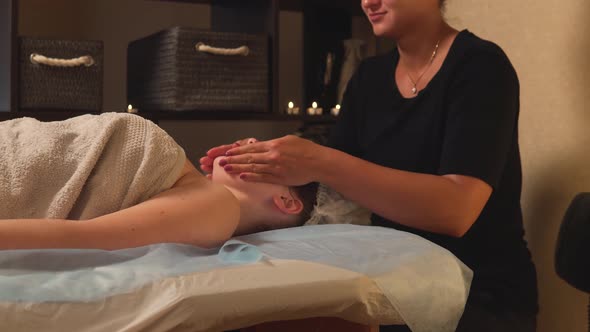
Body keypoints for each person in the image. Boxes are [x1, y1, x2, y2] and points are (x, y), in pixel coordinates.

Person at [199, 0, 538, 331]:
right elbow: (334, 198)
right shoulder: (369, 77)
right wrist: (248, 185)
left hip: (476, 295)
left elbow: (456, 211)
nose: (368, 2)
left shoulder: (480, 66)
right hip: (390, 275)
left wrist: (319, 160)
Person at [0, 114, 317, 251]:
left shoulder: (219, 206)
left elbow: (83, 239)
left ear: (287, 202)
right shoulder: (190, 185)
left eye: (271, 154)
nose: (250, 139)